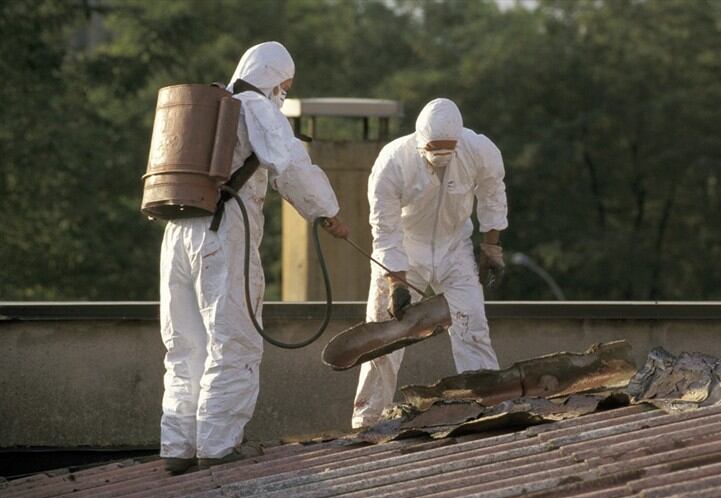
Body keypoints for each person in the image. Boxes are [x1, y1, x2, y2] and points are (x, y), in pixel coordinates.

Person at [158, 41, 349, 474]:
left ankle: (177, 446)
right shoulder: (255, 106)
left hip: (176, 232)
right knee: (234, 339)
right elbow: (292, 165)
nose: (285, 90)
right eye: (286, 83)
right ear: (274, 78)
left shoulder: (211, 106)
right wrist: (329, 213)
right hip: (222, 233)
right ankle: (218, 446)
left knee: (185, 346)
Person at [352, 97, 508, 428]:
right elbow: (386, 230)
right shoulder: (393, 161)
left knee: (471, 323)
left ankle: (488, 405)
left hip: (455, 246)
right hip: (407, 249)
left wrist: (492, 247)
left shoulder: (479, 150)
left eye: (447, 148)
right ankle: (368, 419)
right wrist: (395, 281)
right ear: (420, 139)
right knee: (385, 332)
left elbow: (493, 194)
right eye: (433, 148)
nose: (439, 157)